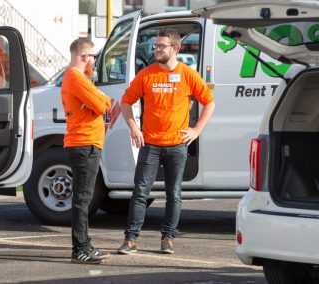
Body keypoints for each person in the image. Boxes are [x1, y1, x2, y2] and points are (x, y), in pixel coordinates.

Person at [118, 30, 215, 255]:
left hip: (177, 145)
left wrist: (196, 130)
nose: (157, 50)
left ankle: (168, 239)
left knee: (174, 194)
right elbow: (125, 102)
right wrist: (134, 128)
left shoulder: (188, 75)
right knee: (141, 192)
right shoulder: (146, 74)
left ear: (175, 49)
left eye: (162, 46)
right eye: (156, 46)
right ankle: (131, 239)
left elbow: (209, 103)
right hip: (150, 144)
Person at [61, 39, 111, 264]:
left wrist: (100, 99)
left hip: (86, 143)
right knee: (82, 198)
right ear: (84, 57)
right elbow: (103, 105)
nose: (94, 61)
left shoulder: (77, 78)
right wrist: (100, 99)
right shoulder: (76, 78)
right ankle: (79, 248)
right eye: (92, 57)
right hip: (83, 144)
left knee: (84, 196)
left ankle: (85, 244)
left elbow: (104, 101)